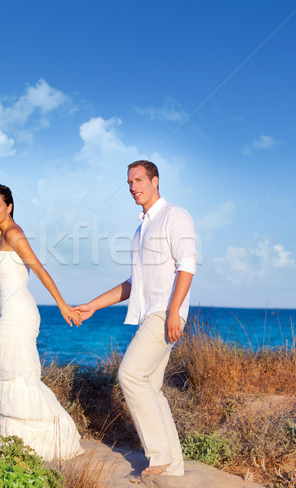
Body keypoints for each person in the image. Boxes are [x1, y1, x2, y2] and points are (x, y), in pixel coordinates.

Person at [71, 160, 197, 478]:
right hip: (151, 313)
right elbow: (133, 284)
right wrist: (94, 306)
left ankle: (158, 457)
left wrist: (173, 312)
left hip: (164, 312)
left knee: (130, 375)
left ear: (155, 181)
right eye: (129, 182)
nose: (133, 187)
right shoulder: (141, 228)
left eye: (139, 180)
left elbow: (187, 266)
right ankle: (173, 467)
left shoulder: (174, 215)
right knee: (151, 387)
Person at [0, 183, 84, 461]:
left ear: (9, 206)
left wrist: (62, 305)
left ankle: (47, 442)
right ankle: (15, 443)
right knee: (4, 369)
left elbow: (39, 269)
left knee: (19, 377)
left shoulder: (14, 233)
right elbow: (9, 283)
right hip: (9, 311)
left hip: (21, 314)